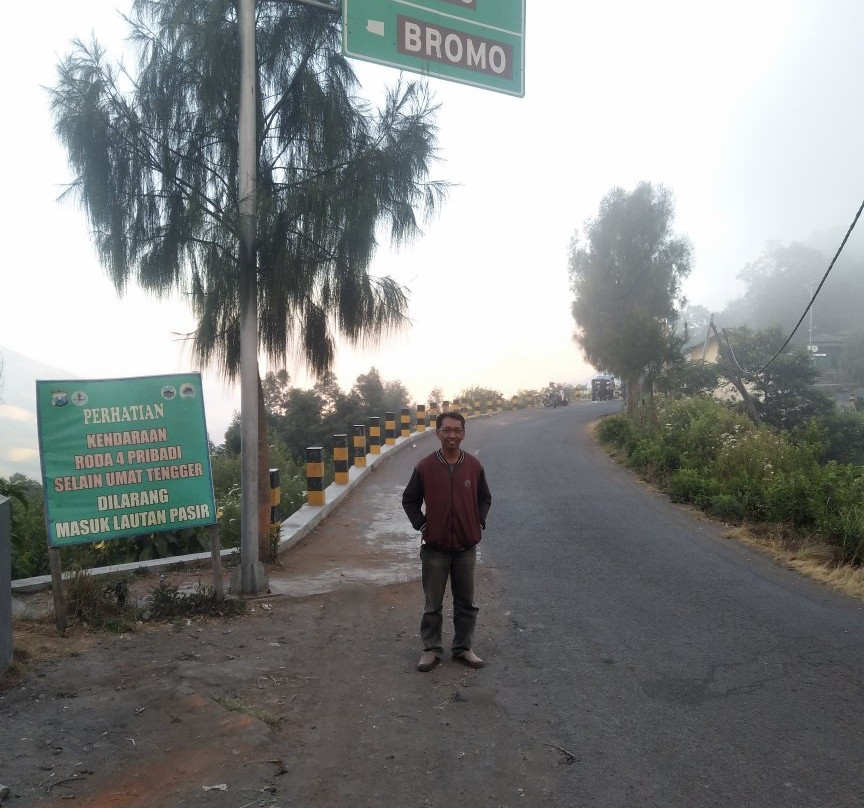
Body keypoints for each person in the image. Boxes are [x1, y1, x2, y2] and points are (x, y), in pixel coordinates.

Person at [402, 411, 492, 672]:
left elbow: (484, 498)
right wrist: (423, 525)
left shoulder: (473, 465)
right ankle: (431, 649)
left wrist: (478, 522)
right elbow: (410, 500)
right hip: (435, 548)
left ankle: (463, 648)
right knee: (433, 604)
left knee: (466, 603)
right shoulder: (425, 467)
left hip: (465, 547)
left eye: (457, 430)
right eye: (447, 430)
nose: (452, 435)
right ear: (438, 433)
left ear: (463, 433)